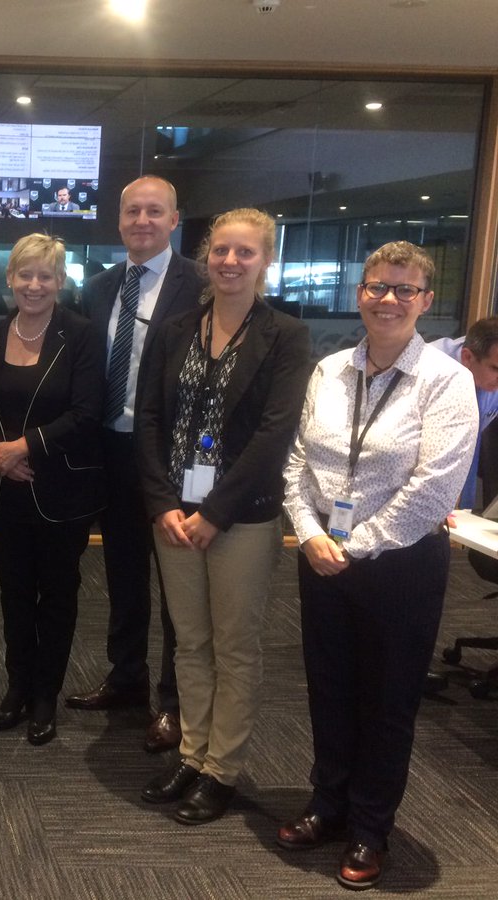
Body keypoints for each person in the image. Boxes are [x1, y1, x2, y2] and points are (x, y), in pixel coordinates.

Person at [280, 241, 476, 891]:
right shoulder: (330, 370)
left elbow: (434, 487)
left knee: (387, 702)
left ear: (425, 301)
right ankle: (326, 803)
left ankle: (370, 826)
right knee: (329, 689)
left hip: (400, 567)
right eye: (376, 286)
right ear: (359, 292)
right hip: (322, 557)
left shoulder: (446, 381)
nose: (388, 299)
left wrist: (355, 545)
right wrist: (309, 533)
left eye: (404, 289)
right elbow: (297, 465)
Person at [135, 209, 310, 823]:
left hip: (243, 518)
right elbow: (149, 417)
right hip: (174, 517)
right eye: (221, 251)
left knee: (235, 647)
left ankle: (222, 769)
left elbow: (274, 434)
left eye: (245, 253)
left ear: (265, 261)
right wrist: (161, 503)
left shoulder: (286, 335)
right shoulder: (178, 326)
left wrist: (214, 512)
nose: (231, 262)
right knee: (189, 642)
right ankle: (190, 752)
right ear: (206, 256)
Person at [67, 175, 204, 754]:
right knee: (123, 574)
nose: (142, 221)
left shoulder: (202, 284)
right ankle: (127, 678)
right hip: (113, 450)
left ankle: (174, 701)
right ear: (119, 221)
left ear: (175, 220)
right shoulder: (98, 288)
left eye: (155, 212)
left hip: (174, 458)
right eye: (132, 212)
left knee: (177, 584)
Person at [0, 234, 103, 745]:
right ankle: (16, 687)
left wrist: (23, 448)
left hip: (60, 490)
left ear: (60, 281)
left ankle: (46, 694)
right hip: (4, 489)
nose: (34, 285)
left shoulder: (83, 336)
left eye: (45, 276)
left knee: (57, 594)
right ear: (9, 279)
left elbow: (87, 413)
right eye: (24, 274)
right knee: (12, 591)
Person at [428, 315, 498, 509]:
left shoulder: (489, 377)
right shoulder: (428, 367)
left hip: (460, 487)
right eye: (495, 369)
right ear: (467, 357)